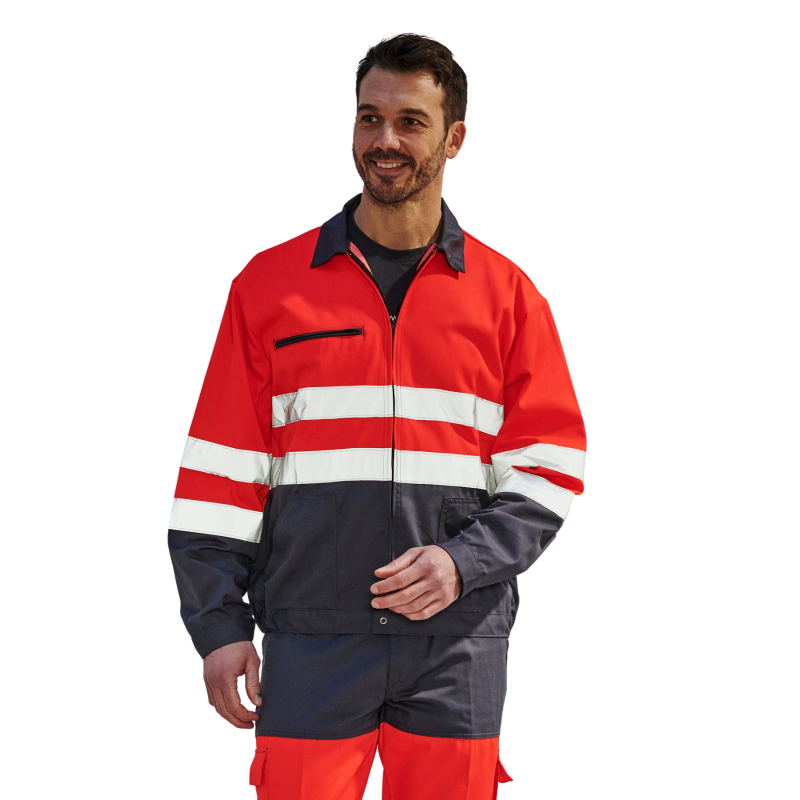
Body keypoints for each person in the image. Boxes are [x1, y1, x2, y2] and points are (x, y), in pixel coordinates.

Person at [167, 32, 587, 799]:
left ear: (455, 138)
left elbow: (551, 465)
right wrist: (219, 630)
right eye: (369, 118)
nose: (384, 140)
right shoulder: (267, 286)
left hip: (457, 641)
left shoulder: (511, 297)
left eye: (411, 121)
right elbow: (217, 477)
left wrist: (464, 562)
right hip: (308, 642)